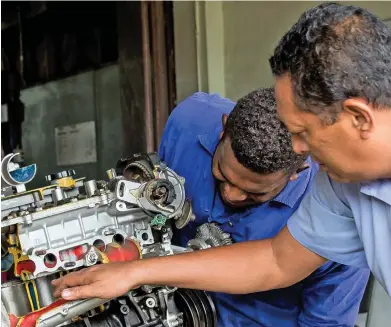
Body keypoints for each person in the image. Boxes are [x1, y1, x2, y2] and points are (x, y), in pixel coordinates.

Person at [51, 2, 391, 303]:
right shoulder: (343, 186)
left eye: (302, 133)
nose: (299, 150)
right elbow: (276, 260)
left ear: (358, 117)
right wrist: (134, 273)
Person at [157, 88, 369, 327]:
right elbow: (156, 212)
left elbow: (325, 323)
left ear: (296, 173)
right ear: (222, 130)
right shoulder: (188, 125)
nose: (232, 195)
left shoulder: (339, 215)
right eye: (222, 174)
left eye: (254, 193)